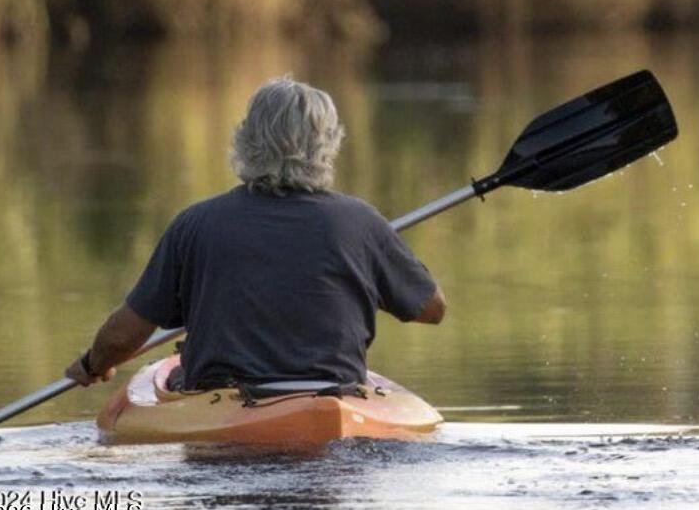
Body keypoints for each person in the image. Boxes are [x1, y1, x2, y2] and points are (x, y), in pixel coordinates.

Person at [65, 76, 446, 391]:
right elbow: (432, 309)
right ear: (328, 145)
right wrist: (373, 267)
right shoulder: (363, 223)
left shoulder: (195, 224)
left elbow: (123, 337)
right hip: (333, 402)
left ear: (247, 139)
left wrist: (93, 363)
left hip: (225, 405)